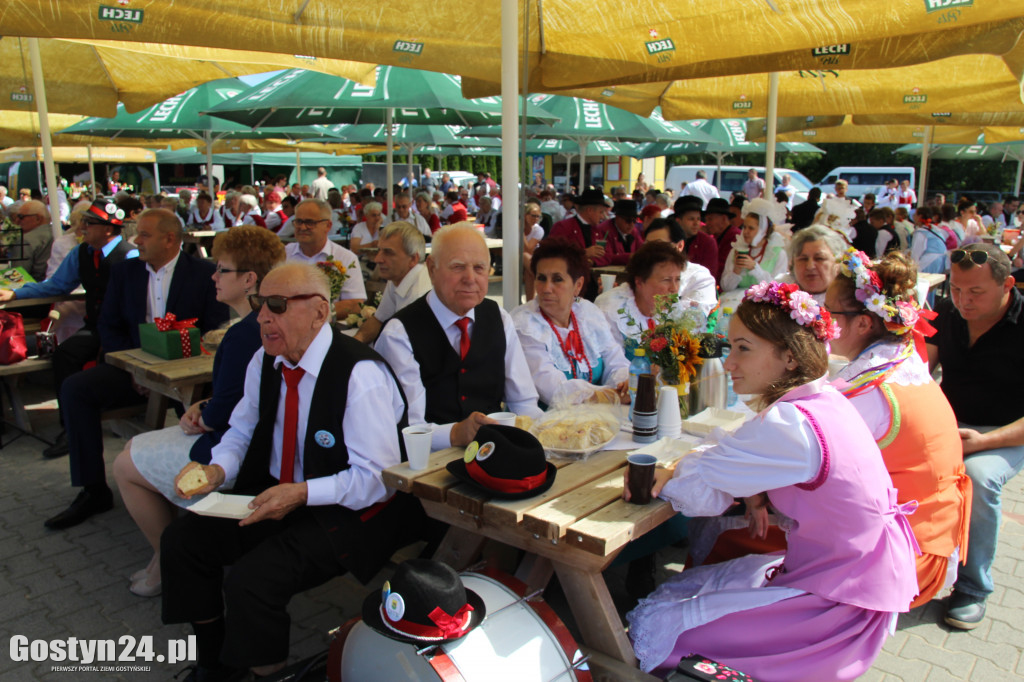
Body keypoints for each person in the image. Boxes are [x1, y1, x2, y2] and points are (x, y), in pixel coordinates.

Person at [627, 280, 918, 680]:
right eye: (730, 348)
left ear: (790, 358)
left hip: (838, 604)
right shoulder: (824, 399)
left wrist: (672, 469)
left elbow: (701, 488)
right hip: (856, 575)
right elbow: (739, 458)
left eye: (744, 348)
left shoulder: (790, 425)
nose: (729, 364)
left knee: (666, 630)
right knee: (691, 593)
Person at [159, 262, 415, 680]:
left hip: (345, 511)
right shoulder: (264, 360)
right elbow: (241, 427)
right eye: (261, 303)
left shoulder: (359, 373)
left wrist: (301, 493)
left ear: (319, 312)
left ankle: (268, 674)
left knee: (252, 582)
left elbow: (376, 480)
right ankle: (214, 664)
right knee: (183, 542)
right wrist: (219, 470)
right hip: (280, 494)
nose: (262, 316)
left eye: (276, 305)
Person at [111, 227, 286, 597]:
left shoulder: (245, 333)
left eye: (222, 270)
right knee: (134, 449)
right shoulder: (265, 323)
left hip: (239, 451)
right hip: (256, 441)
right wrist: (204, 407)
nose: (213, 277)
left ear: (249, 279)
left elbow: (229, 411)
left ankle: (168, 559)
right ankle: (166, 556)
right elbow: (242, 396)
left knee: (125, 464)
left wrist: (202, 415)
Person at [44, 210, 229, 530]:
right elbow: (109, 325)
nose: (136, 241)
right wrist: (134, 369)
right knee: (76, 389)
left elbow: (215, 331)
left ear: (169, 239)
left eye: (144, 235)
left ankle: (212, 483)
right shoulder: (125, 272)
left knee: (216, 404)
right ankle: (93, 489)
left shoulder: (203, 273)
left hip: (189, 371)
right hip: (133, 368)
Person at [827, 248, 971, 609]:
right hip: (933, 534)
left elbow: (815, 467)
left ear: (863, 323)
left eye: (829, 313)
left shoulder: (868, 386)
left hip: (909, 555)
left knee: (737, 535)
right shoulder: (904, 356)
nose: (822, 322)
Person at [926, 244, 1024, 630]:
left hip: (1003, 433)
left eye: (976, 292)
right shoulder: (948, 312)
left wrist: (984, 442)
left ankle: (972, 587)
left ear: (1008, 285)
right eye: (956, 290)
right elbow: (922, 369)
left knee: (978, 479)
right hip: (948, 422)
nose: (963, 300)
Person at [376, 224, 542, 451]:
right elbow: (409, 429)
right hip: (429, 468)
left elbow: (523, 403)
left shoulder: (499, 318)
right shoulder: (400, 334)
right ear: (432, 268)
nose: (470, 278)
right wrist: (454, 433)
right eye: (458, 267)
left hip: (493, 457)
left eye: (479, 268)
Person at [512, 239, 630, 407]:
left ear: (578, 285)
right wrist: (612, 395)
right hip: (543, 424)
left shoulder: (587, 314)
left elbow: (615, 359)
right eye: (541, 278)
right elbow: (553, 388)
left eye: (557, 279)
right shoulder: (526, 325)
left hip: (593, 418)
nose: (546, 288)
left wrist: (624, 381)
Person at [595, 241, 715, 357]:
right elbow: (613, 365)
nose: (674, 289)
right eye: (666, 280)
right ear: (639, 282)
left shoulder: (671, 306)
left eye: (677, 279)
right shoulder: (612, 307)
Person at [353, 222, 431, 345]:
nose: (378, 259)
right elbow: (378, 320)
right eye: (379, 250)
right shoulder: (397, 277)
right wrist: (354, 345)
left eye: (388, 253)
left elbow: (402, 348)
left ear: (413, 259)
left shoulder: (420, 295)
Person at [285, 199, 365, 318]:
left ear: (328, 226)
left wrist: (312, 313)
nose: (302, 227)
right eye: (298, 221)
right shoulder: (284, 254)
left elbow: (356, 303)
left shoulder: (346, 258)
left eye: (309, 222)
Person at [719, 199, 788, 293]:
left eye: (751, 228)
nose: (746, 232)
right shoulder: (736, 251)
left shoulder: (778, 254)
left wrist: (755, 268)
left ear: (763, 230)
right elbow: (726, 287)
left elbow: (777, 290)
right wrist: (736, 270)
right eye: (745, 227)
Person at [777, 224, 845, 305]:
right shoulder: (778, 291)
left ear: (838, 263)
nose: (810, 266)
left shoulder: (850, 298)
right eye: (803, 259)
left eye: (819, 258)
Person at [5, 199, 54, 281]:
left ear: (38, 218)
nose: (17, 221)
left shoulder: (25, 240)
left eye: (21, 217)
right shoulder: (62, 234)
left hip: (34, 288)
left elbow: (17, 276)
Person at [672, 197, 718, 274]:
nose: (696, 223)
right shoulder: (669, 238)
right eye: (691, 219)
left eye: (698, 219)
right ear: (679, 221)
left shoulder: (707, 242)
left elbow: (710, 273)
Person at [594, 199, 644, 267]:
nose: (632, 224)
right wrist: (630, 257)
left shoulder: (633, 231)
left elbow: (642, 249)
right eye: (628, 220)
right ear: (617, 218)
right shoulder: (604, 230)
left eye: (634, 221)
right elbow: (606, 256)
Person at [703, 197, 740, 283]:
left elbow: (719, 267)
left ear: (723, 219)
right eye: (706, 220)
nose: (707, 223)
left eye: (710, 219)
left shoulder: (734, 237)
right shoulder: (717, 236)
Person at [910, 206, 952, 275]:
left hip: (929, 263)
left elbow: (916, 253)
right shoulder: (935, 229)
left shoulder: (921, 232)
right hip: (941, 262)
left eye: (915, 215)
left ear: (919, 216)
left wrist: (912, 269)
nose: (913, 217)